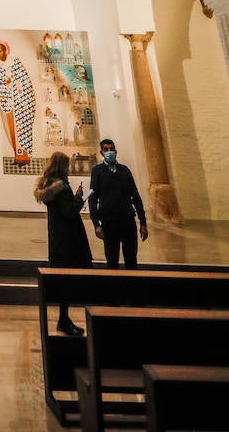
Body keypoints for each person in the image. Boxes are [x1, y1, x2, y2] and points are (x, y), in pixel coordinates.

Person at [35, 150, 92, 335]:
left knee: (65, 281)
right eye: (67, 165)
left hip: (59, 238)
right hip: (68, 240)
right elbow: (69, 211)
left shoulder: (50, 186)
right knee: (67, 280)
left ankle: (64, 318)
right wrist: (79, 197)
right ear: (61, 166)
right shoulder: (60, 188)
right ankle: (63, 319)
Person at [87, 137, 148, 267]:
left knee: (131, 260)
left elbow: (136, 197)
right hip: (109, 222)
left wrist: (143, 222)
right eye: (106, 149)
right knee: (112, 260)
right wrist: (96, 224)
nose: (109, 151)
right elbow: (93, 199)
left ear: (115, 151)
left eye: (111, 149)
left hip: (127, 220)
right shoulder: (97, 171)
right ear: (101, 152)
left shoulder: (125, 170)